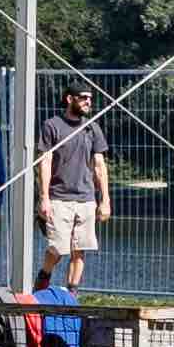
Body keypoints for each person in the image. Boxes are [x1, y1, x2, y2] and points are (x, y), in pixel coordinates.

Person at [39, 85, 109, 281]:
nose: (88, 102)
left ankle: (72, 297)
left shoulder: (92, 127)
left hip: (86, 198)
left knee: (80, 250)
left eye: (90, 98)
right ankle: (41, 288)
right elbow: (45, 162)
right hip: (59, 198)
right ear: (70, 99)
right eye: (83, 97)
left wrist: (105, 200)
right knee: (57, 250)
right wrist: (44, 198)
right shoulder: (52, 125)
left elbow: (99, 165)